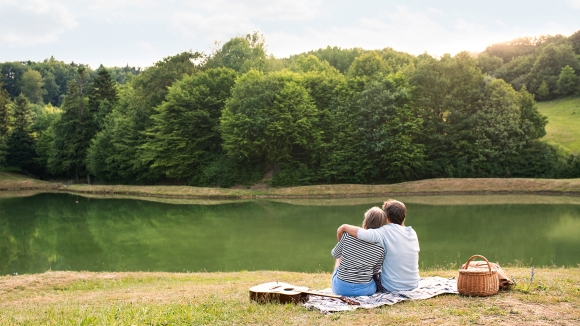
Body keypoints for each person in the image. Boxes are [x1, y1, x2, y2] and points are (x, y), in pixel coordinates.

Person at [336, 199, 420, 292]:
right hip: (413, 284)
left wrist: (344, 227)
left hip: (391, 287)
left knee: (371, 272)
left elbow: (362, 233)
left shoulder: (384, 231)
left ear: (386, 217)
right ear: (404, 217)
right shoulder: (412, 232)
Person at [331, 207, 386, 296]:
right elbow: (375, 271)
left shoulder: (347, 235)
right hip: (365, 291)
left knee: (340, 256)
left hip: (341, 289)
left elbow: (335, 254)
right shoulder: (381, 247)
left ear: (365, 221)